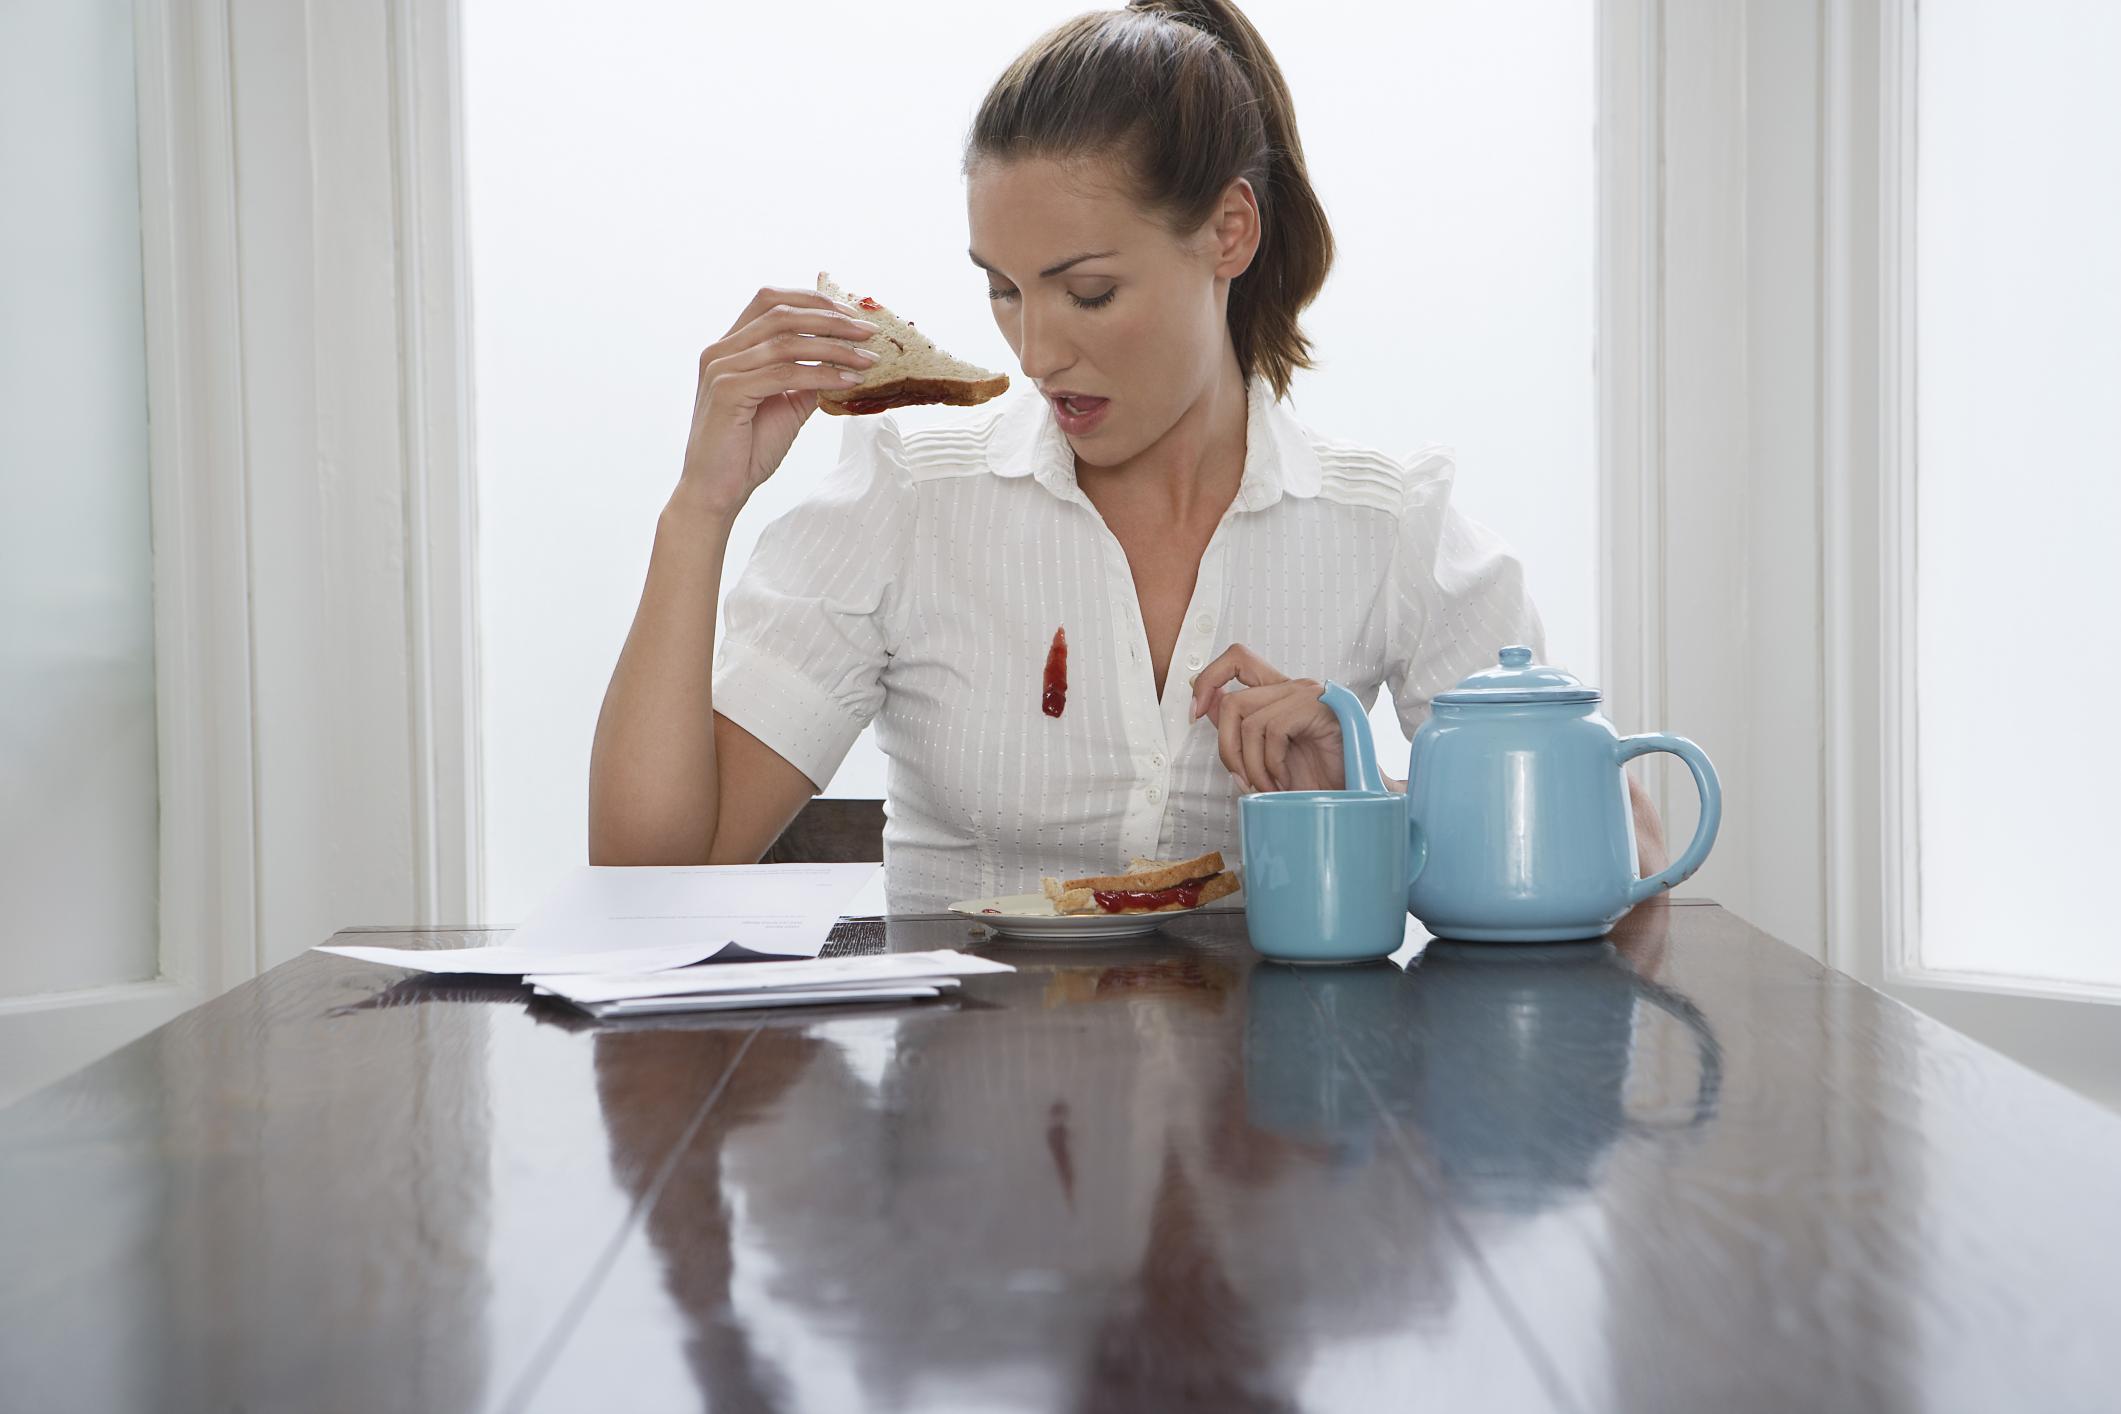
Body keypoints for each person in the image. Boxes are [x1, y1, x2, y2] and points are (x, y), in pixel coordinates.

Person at [588, 0, 1666, 912]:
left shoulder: (1387, 523)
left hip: (1278, 1135)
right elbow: (649, 876)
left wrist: (1372, 792)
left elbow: (1632, 867)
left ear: (1228, 234)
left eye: (1088, 291)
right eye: (1003, 289)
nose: (1037, 350)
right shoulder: (910, 495)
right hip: (964, 1142)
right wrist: (700, 507)